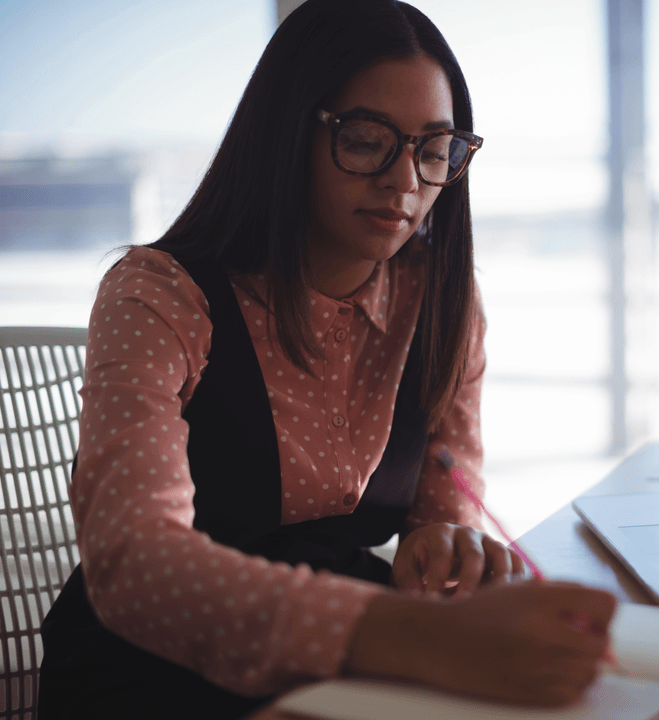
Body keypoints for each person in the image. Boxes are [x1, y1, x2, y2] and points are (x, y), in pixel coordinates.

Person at [37, 1, 617, 718]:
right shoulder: (159, 294)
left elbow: (445, 507)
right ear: (288, 132)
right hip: (152, 666)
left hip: (360, 659)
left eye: (434, 149)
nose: (406, 182)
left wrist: (446, 548)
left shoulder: (443, 306)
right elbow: (132, 563)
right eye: (368, 138)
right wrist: (415, 636)